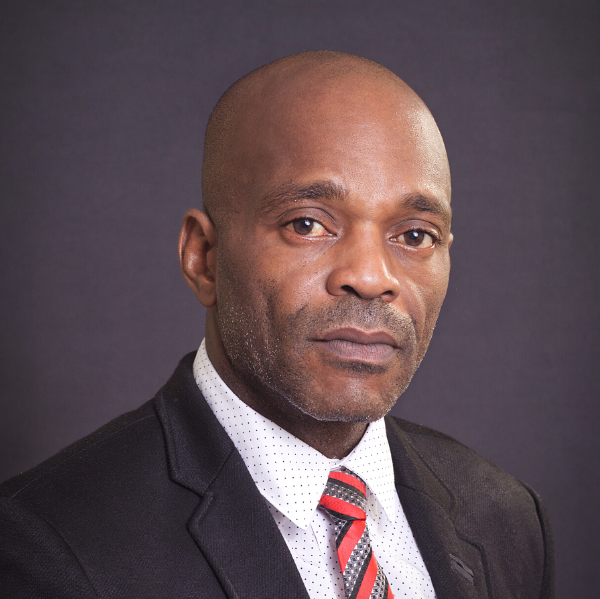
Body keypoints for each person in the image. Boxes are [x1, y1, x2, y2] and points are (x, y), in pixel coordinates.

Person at [0, 51, 554, 598]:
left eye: (414, 235)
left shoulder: (507, 519)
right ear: (204, 258)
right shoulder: (46, 548)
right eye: (307, 224)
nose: (370, 277)